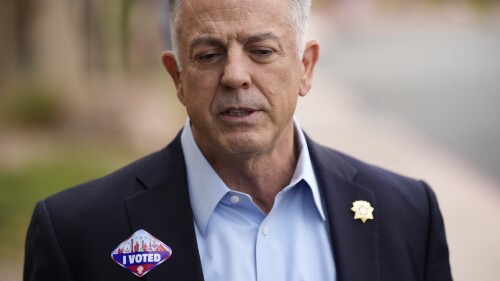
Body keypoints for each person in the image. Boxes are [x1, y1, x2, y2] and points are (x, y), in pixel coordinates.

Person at [23, 0, 453, 280]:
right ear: (177, 78)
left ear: (306, 67)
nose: (234, 75)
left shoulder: (410, 217)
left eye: (261, 51)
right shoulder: (74, 234)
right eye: (208, 55)